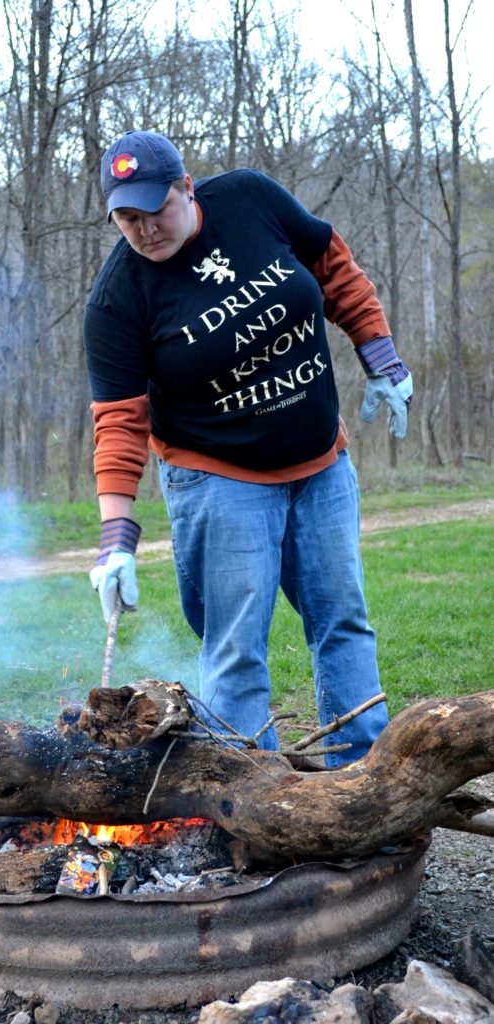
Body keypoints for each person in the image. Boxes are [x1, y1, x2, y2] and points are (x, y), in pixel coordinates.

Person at [84, 130, 413, 766]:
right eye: (127, 217)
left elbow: (332, 264)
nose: (145, 228)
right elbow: (120, 424)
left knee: (343, 623)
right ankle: (246, 796)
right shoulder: (118, 300)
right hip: (220, 480)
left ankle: (365, 781)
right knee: (236, 648)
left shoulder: (249, 198)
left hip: (321, 464)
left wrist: (380, 356)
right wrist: (115, 541)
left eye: (157, 209)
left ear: (187, 187)